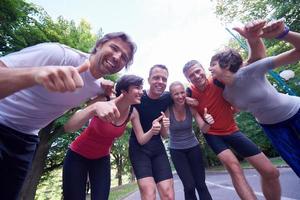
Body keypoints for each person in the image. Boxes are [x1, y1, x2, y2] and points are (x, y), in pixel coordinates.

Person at [0, 32, 136, 200]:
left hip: (26, 140)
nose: (117, 57)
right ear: (100, 45)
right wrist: (35, 74)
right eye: (114, 48)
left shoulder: (98, 88)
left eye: (124, 57)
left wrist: (105, 93)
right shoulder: (59, 55)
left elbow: (113, 99)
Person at [183, 20, 281, 200]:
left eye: (198, 72)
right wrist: (200, 117)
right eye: (191, 76)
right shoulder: (189, 93)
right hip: (213, 135)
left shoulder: (219, 79)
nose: (196, 77)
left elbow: (253, 63)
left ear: (204, 69)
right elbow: (194, 118)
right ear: (187, 79)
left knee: (271, 172)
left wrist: (252, 39)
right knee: (235, 168)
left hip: (233, 130)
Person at [209, 19, 300, 178]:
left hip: (295, 111)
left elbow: (295, 52)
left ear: (226, 65)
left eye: (213, 64)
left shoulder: (251, 70)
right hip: (272, 127)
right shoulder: (225, 94)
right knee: (297, 164)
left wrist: (283, 34)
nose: (209, 68)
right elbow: (234, 109)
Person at [63, 75, 144, 200]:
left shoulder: (132, 113)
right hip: (77, 156)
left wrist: (156, 128)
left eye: (142, 88)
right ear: (123, 91)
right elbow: (69, 126)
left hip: (101, 159)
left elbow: (141, 138)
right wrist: (94, 108)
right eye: (137, 88)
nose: (141, 91)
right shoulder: (103, 100)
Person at [129, 64, 175, 200]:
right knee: (149, 194)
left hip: (157, 148)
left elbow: (165, 135)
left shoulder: (167, 98)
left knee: (168, 194)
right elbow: (141, 139)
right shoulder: (137, 98)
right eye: (156, 78)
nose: (160, 82)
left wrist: (166, 126)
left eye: (164, 79)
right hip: (139, 148)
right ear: (148, 80)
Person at [164, 81, 213, 200]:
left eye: (182, 93)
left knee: (201, 184)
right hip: (176, 150)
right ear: (171, 96)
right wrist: (164, 126)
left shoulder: (191, 109)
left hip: (193, 147)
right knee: (189, 186)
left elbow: (204, 129)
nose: (180, 96)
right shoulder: (167, 111)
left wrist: (208, 122)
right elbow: (165, 136)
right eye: (176, 94)